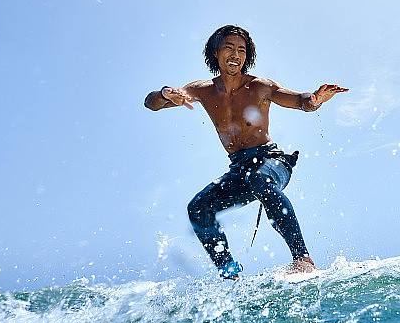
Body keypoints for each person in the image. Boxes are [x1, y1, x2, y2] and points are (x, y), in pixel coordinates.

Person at [144, 25, 348, 279]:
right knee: (198, 208)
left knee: (260, 179)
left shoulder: (261, 86)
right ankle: (229, 273)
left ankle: (302, 260)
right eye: (229, 47)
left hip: (272, 162)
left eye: (241, 50)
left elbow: (299, 100)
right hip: (239, 169)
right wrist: (166, 94)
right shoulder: (203, 89)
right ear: (216, 52)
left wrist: (314, 100)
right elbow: (152, 103)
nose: (235, 54)